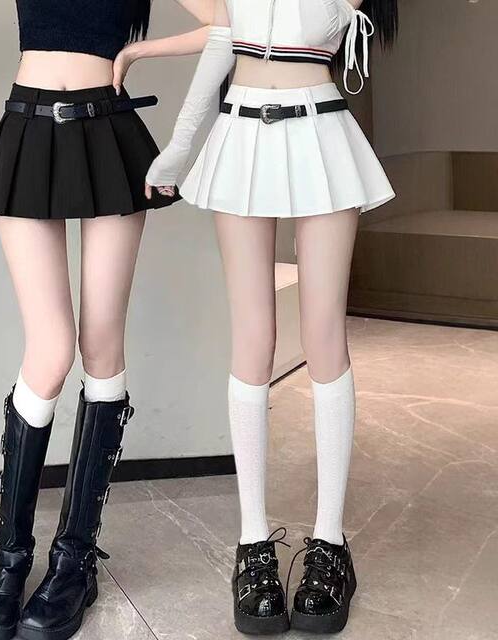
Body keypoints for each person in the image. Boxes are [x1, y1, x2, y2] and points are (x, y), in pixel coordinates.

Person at [0, 1, 215, 639]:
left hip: (108, 131)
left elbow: (227, 21)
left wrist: (139, 51)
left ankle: (74, 562)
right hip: (28, 128)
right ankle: (8, 559)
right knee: (51, 348)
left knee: (100, 345)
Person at [139, 0, 398, 634]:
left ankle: (329, 542)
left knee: (323, 337)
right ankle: (253, 542)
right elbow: (223, 39)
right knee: (252, 339)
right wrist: (178, 146)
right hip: (239, 131)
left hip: (321, 130)